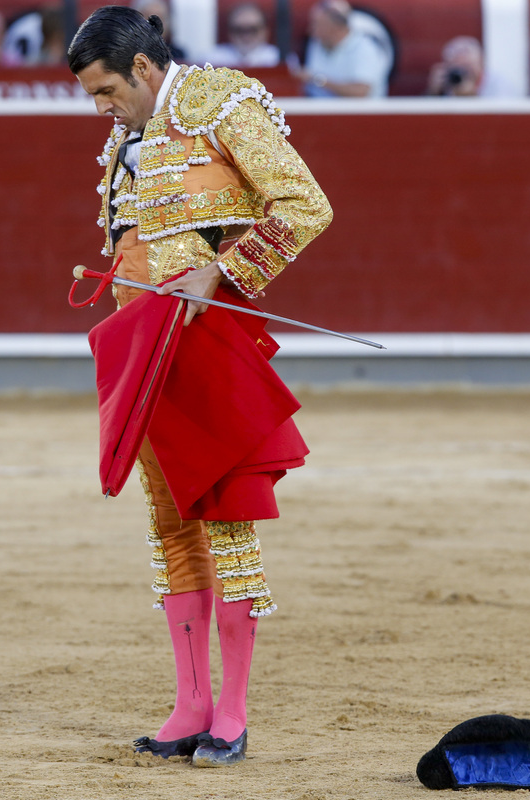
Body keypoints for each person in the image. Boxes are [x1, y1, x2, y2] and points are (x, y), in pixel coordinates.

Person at [68, 5, 332, 768]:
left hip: (209, 341)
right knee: (169, 523)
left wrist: (224, 268)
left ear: (145, 70)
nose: (101, 108)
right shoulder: (128, 136)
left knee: (224, 522)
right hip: (145, 349)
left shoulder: (222, 103)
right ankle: (189, 707)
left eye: (107, 89)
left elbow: (305, 204)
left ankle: (233, 711)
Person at [291, 0, 388, 98]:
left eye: (316, 24)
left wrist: (317, 80)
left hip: (356, 112)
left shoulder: (366, 48)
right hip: (320, 111)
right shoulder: (316, 43)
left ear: (335, 27)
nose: (310, 30)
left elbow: (361, 92)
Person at [426, 36, 517, 98]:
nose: (463, 72)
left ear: (481, 62)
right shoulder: (447, 83)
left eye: (467, 65)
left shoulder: (498, 83)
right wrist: (434, 92)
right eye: (458, 66)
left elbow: (501, 117)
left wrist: (471, 96)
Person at [202, 3, 281, 68]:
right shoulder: (211, 59)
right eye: (239, 30)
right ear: (229, 32)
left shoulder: (279, 58)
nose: (246, 36)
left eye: (253, 29)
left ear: (265, 31)